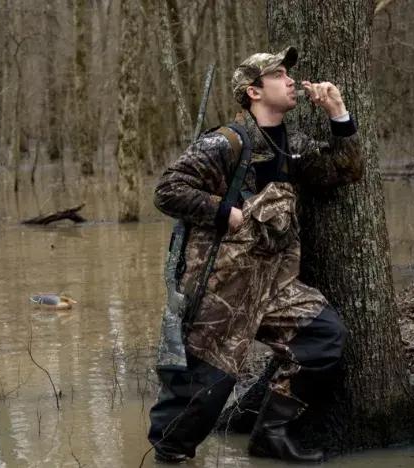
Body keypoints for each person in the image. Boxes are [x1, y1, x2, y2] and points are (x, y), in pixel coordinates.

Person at [148, 47, 363, 463]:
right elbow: (167, 189)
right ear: (253, 91)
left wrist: (338, 112)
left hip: (274, 286)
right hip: (221, 291)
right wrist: (223, 211)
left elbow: (345, 169)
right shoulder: (225, 142)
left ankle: (270, 434)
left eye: (288, 73)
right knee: (201, 394)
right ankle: (170, 457)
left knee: (323, 338)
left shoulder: (293, 145)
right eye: (278, 74)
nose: (290, 80)